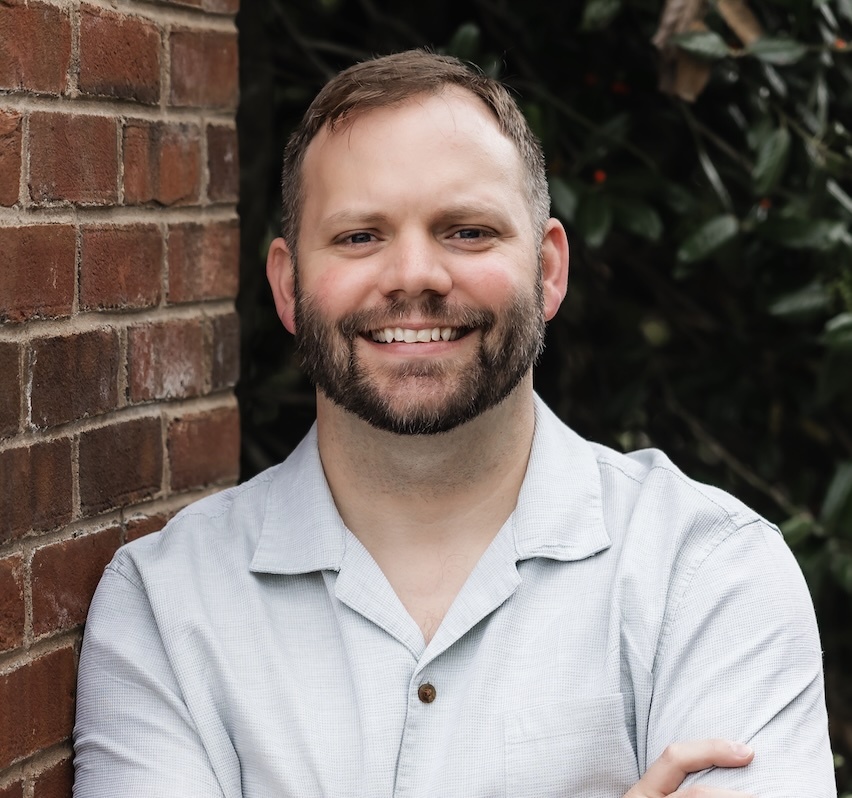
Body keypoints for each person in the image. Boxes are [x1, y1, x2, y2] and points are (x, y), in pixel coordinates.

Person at [72, 50, 835, 797]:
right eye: (360, 236)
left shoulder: (707, 574)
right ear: (287, 284)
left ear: (548, 271)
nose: (415, 276)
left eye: (467, 231)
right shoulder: (166, 606)